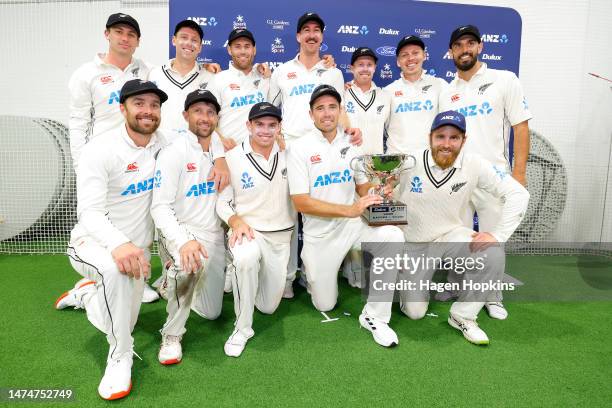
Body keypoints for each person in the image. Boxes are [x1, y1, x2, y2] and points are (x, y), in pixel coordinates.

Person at [57, 80, 168, 399]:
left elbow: (200, 144)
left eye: (155, 105)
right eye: (139, 103)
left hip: (136, 252)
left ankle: (87, 296)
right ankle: (119, 357)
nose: (148, 110)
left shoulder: (165, 143)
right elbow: (88, 213)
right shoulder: (100, 149)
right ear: (122, 108)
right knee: (116, 278)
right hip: (91, 245)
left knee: (122, 319)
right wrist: (119, 244)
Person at [396, 110, 529, 344]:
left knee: (492, 253)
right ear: (430, 137)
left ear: (463, 140)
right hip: (415, 245)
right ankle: (408, 281)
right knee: (414, 313)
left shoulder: (475, 164)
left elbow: (518, 194)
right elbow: (376, 189)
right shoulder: (409, 162)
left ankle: (463, 316)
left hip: (449, 236)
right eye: (440, 137)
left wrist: (498, 235)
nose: (446, 144)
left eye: (454, 138)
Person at [287, 85, 405, 348]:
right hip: (320, 236)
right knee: (324, 304)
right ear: (311, 114)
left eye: (332, 107)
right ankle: (311, 272)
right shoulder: (299, 148)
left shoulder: (351, 144)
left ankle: (375, 318)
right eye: (320, 108)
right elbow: (301, 202)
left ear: (341, 111)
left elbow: (362, 188)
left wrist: (378, 191)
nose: (327, 113)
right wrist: (350, 209)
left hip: (352, 227)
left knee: (393, 235)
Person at [438, 24, 532, 319]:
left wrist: (518, 174)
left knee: (492, 239)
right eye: (458, 45)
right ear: (451, 52)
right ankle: (456, 284)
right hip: (457, 178)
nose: (464, 50)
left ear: (480, 46)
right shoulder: (447, 90)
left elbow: (521, 126)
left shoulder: (504, 80)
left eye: (470, 44)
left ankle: (493, 296)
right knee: (458, 236)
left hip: (494, 176)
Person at [67, 12, 159, 302]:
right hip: (104, 162)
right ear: (107, 34)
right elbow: (78, 122)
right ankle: (92, 284)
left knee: (141, 216)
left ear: (138, 41)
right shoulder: (86, 73)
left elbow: (171, 82)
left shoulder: (145, 70)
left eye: (131, 34)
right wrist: (81, 165)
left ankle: (139, 276)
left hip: (140, 155)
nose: (124, 38)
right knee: (104, 222)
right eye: (119, 32)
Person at [269, 12, 360, 297]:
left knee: (320, 206)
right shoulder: (281, 71)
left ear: (321, 36)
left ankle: (315, 271)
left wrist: (351, 130)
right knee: (289, 213)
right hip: (291, 149)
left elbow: (339, 110)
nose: (311, 35)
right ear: (298, 36)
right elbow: (272, 110)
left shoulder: (333, 72)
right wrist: (278, 138)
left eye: (316, 30)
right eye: (305, 30)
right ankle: (286, 277)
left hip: (325, 147)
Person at [151, 90, 227, 365]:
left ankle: (169, 283)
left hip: (214, 235)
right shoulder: (174, 151)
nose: (205, 118)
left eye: (210, 112)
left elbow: (217, 140)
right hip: (184, 231)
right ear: (185, 116)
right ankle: (172, 334)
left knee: (212, 313)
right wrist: (182, 241)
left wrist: (220, 156)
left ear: (217, 117)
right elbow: (159, 206)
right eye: (198, 111)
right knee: (190, 266)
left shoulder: (219, 148)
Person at [216, 102, 295, 357]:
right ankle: (242, 329)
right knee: (246, 258)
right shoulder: (232, 157)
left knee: (268, 307)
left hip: (280, 235)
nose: (265, 130)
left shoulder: (291, 154)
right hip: (247, 230)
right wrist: (234, 220)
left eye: (272, 125)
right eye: (259, 124)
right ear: (248, 126)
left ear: (279, 127)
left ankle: (243, 276)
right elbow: (222, 200)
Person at [206, 28, 272, 150]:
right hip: (230, 153)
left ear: (254, 49)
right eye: (237, 46)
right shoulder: (218, 79)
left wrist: (267, 75)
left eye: (247, 46)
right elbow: (207, 118)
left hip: (261, 152)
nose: (243, 51)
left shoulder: (264, 77)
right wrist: (221, 139)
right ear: (229, 50)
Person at [148, 19, 217, 132]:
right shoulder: (154, 74)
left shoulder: (210, 77)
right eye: (184, 37)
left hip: (196, 146)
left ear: (200, 47)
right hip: (161, 146)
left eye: (194, 40)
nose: (189, 43)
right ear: (174, 40)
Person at [385, 35, 449, 154]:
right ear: (398, 62)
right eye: (404, 55)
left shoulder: (440, 85)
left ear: (424, 56)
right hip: (396, 163)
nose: (410, 58)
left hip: (431, 162)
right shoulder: (388, 91)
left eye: (415, 53)